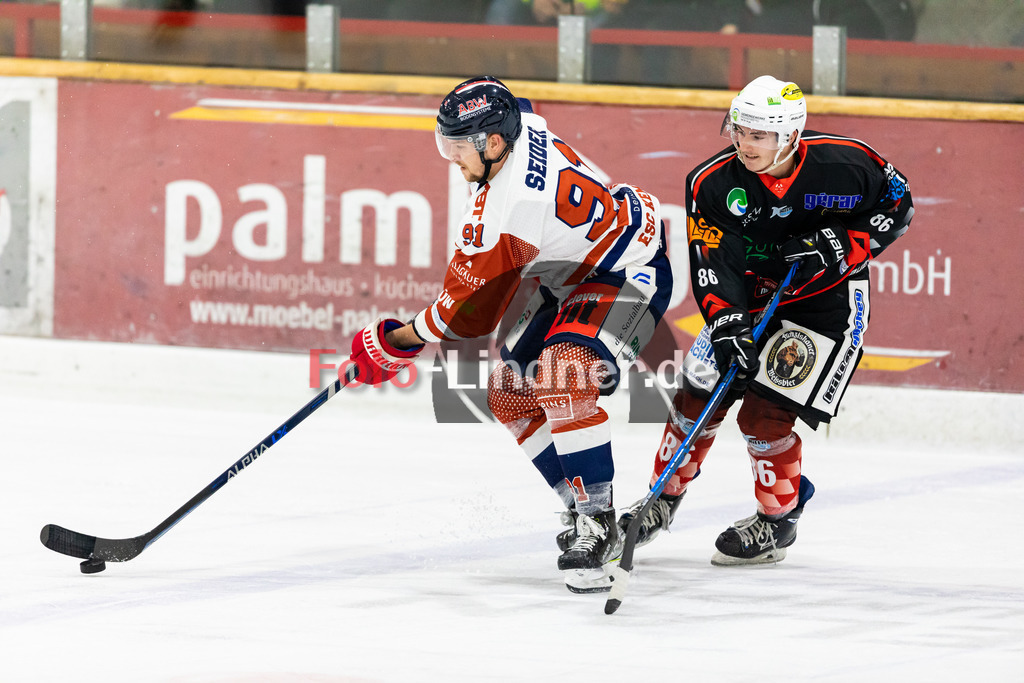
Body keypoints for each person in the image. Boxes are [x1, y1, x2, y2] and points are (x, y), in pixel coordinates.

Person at [346, 76, 673, 592]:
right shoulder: (522, 124)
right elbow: (510, 99)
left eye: (458, 147)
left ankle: (597, 521)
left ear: (494, 143)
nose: (452, 159)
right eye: (445, 143)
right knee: (508, 391)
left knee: (562, 377)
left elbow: (465, 316)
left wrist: (396, 342)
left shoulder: (513, 207)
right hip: (574, 275)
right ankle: (579, 503)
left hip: (629, 273)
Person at [620, 75, 913, 565]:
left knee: (763, 416)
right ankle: (661, 501)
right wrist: (727, 322)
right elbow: (714, 262)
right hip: (749, 298)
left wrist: (844, 243)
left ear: (791, 136)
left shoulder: (849, 163)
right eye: (739, 130)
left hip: (825, 303)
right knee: (697, 395)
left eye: (759, 135)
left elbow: (898, 207)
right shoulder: (713, 184)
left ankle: (778, 521)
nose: (744, 143)